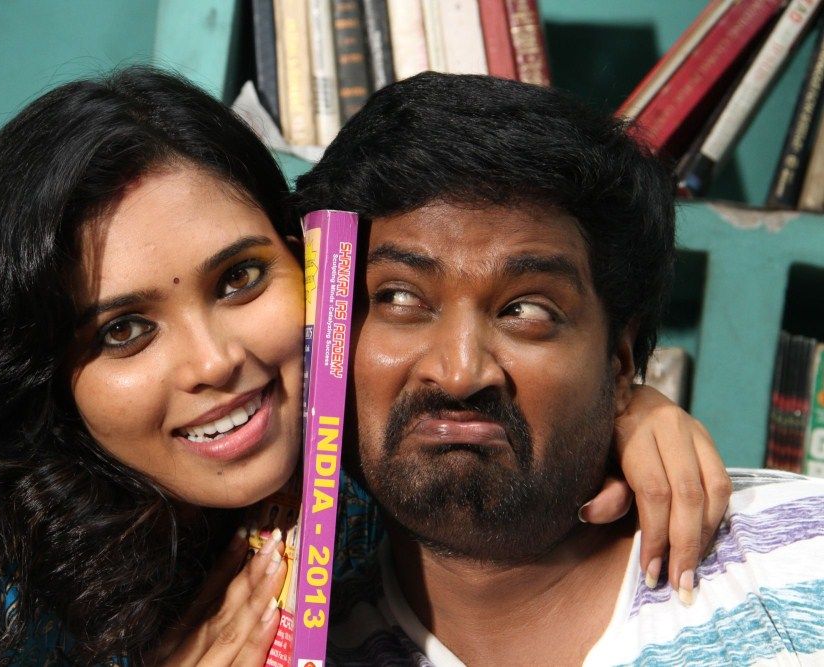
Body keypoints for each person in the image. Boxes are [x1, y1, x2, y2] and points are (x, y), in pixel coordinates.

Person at [0, 66, 728, 665]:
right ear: (47, 375)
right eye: (125, 331)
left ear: (317, 263)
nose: (216, 360)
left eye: (240, 278)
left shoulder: (346, 469)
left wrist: (625, 407)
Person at [294, 72, 824, 666]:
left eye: (527, 310)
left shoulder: (806, 562)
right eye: (399, 297)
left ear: (621, 364)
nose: (460, 373)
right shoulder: (286, 634)